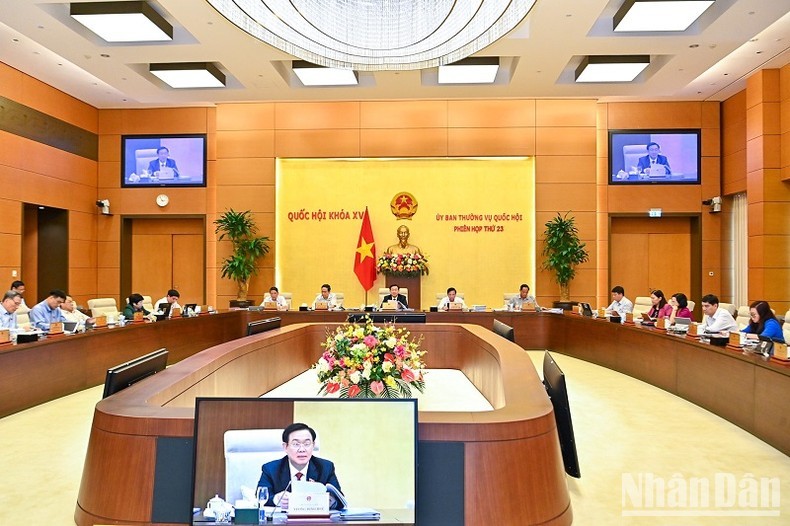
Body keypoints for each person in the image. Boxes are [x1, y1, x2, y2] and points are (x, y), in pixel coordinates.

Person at [256, 423, 342, 510]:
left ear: (313, 445)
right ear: (285, 447)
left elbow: (340, 499)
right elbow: (260, 497)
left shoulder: (325, 467)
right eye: (296, 444)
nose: (302, 449)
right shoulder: (271, 469)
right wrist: (277, 499)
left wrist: (330, 501)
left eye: (307, 444)